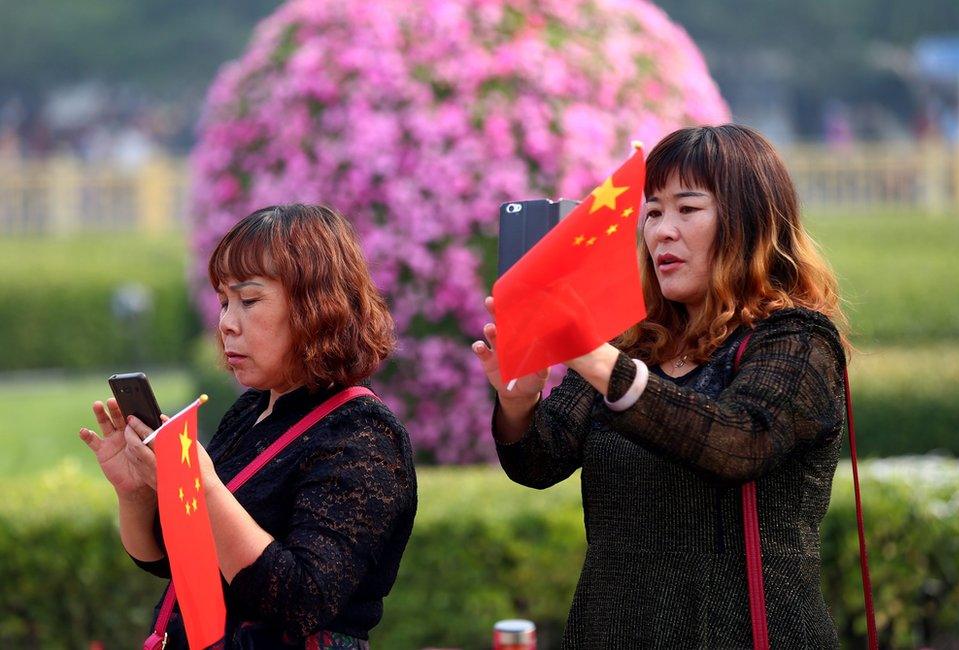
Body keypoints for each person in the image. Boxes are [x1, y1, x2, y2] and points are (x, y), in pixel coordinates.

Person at [472, 125, 850, 648]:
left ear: (749, 222)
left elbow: (738, 443)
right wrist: (518, 403)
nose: (661, 232)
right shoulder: (631, 345)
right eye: (651, 212)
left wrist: (597, 360)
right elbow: (539, 462)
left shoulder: (798, 340)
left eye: (687, 210)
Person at [79, 204, 417, 649]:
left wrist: (202, 486)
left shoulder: (364, 434)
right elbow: (170, 561)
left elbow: (302, 599)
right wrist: (135, 491)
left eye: (249, 300)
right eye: (223, 302)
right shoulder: (251, 410)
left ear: (318, 306)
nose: (226, 324)